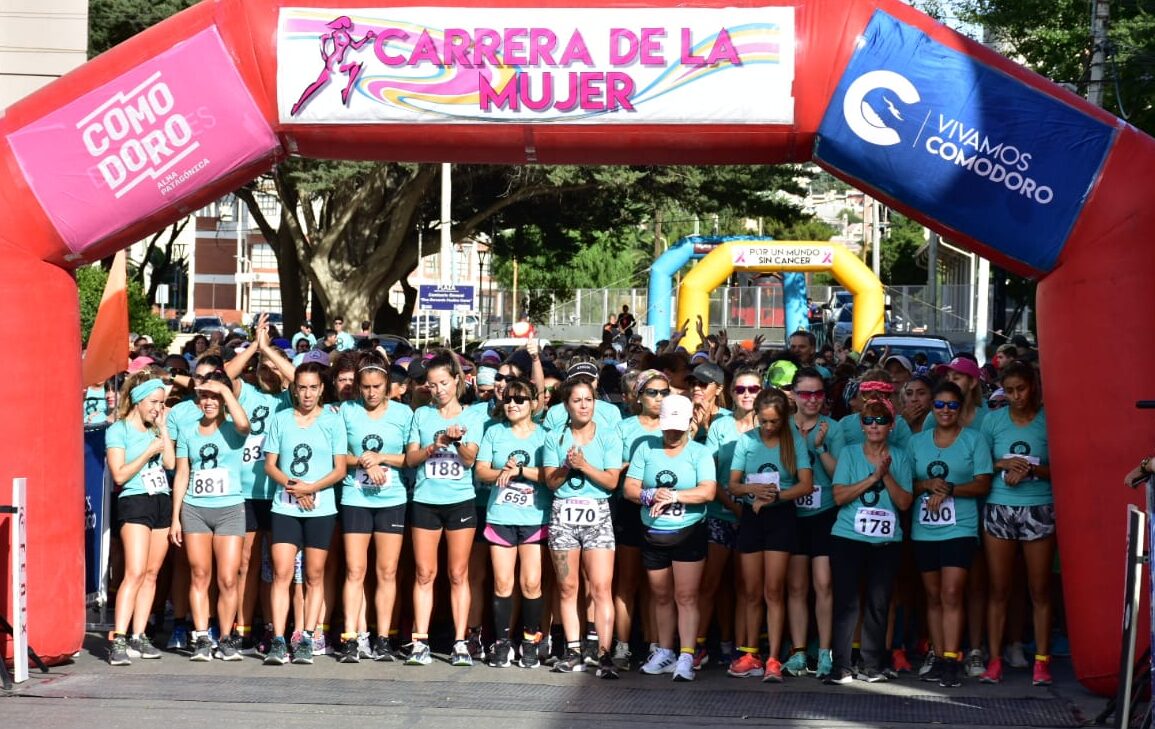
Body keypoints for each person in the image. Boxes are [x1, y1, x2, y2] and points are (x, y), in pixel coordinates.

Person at [624, 394, 716, 683]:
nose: (673, 433)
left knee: (686, 596)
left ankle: (687, 654)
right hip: (654, 531)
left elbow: (708, 492)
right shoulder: (646, 449)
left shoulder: (699, 453)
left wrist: (675, 496)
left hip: (688, 530)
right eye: (668, 427)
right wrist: (648, 494)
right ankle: (665, 651)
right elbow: (629, 487)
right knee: (661, 595)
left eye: (679, 427)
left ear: (690, 424)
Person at [404, 351, 487, 666]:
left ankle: (460, 642)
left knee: (457, 573)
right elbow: (410, 460)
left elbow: (469, 460)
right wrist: (434, 445)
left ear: (457, 381)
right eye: (432, 384)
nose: (438, 389)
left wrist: (456, 442)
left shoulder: (473, 415)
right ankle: (420, 641)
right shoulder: (422, 416)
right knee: (424, 573)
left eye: (443, 382)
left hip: (460, 501)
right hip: (426, 500)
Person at [262, 361, 348, 665]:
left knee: (313, 575)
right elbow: (270, 464)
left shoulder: (332, 421)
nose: (307, 393)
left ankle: (307, 638)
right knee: (282, 573)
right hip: (285, 505)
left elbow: (340, 469)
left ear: (322, 389)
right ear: (293, 389)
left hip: (320, 507)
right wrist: (293, 485)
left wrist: (311, 488)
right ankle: (278, 639)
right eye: (302, 387)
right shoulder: (281, 419)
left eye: (313, 387)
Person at [726, 388, 813, 682]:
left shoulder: (794, 442)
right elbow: (733, 485)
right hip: (753, 516)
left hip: (781, 517)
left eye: (773, 422)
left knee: (773, 591)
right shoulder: (747, 441)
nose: (767, 427)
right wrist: (754, 490)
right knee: (751, 591)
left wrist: (777, 497)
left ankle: (774, 657)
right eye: (762, 421)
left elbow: (806, 485)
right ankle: (751, 653)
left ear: (784, 419)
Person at [909, 381, 992, 687]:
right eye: (940, 405)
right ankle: (938, 653)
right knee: (932, 596)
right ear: (932, 408)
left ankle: (951, 658)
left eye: (952, 405)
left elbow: (983, 483)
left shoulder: (974, 440)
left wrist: (951, 489)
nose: (945, 410)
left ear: (960, 409)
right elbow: (906, 484)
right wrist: (927, 486)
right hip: (924, 528)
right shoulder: (917, 442)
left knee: (952, 593)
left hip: (960, 527)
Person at [826, 397, 914, 685]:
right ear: (861, 426)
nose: (874, 426)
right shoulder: (850, 453)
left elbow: (903, 503)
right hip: (848, 537)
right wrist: (872, 477)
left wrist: (885, 476)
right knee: (847, 602)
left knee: (879, 602)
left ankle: (871, 664)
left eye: (880, 421)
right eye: (868, 420)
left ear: (891, 426)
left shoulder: (900, 456)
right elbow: (839, 496)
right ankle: (840, 665)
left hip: (886, 540)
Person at [979, 361, 1056, 687]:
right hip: (1000, 506)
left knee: (1038, 589)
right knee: (999, 589)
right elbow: (980, 463)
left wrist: (1029, 469)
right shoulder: (993, 421)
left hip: (1038, 506)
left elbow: (1063, 470)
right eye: (1009, 391)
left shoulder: (1048, 422)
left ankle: (1041, 661)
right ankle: (994, 660)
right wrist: (1004, 463)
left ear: (1033, 386)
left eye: (1021, 389)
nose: (1015, 396)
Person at [543, 374, 624, 678]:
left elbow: (612, 481)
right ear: (566, 405)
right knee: (567, 587)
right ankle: (573, 649)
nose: (583, 406)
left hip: (597, 513)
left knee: (601, 587)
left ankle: (603, 654)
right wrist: (566, 466)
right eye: (576, 400)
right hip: (564, 513)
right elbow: (550, 482)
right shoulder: (555, 437)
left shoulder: (608, 436)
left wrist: (585, 465)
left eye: (588, 400)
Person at [170, 370, 252, 661]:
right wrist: (175, 518)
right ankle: (202, 636)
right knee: (199, 574)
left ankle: (227, 637)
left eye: (214, 396)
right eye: (204, 395)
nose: (208, 401)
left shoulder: (232, 428)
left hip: (230, 508)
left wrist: (225, 390)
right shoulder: (188, 431)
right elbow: (182, 473)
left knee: (228, 578)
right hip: (195, 508)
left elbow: (245, 424)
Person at [336, 353, 413, 663]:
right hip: (356, 497)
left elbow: (410, 458)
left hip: (392, 499)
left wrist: (380, 459)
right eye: (365, 387)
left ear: (388, 386)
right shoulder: (347, 411)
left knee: (387, 571)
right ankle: (352, 637)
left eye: (376, 386)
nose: (370, 393)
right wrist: (364, 461)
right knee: (355, 570)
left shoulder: (404, 413)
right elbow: (339, 457)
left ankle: (383, 638)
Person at [475, 377, 550, 668]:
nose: (513, 404)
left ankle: (530, 640)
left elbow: (552, 475)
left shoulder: (544, 435)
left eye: (520, 399)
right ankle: (502, 642)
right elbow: (481, 471)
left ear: (533, 404)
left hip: (534, 516)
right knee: (503, 582)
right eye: (508, 399)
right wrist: (501, 474)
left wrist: (521, 471)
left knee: (531, 583)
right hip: (501, 515)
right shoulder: (494, 433)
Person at [105, 374, 175, 665]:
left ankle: (139, 634)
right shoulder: (118, 430)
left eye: (162, 403)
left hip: (160, 497)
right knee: (134, 571)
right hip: (134, 500)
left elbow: (170, 463)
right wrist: (148, 451)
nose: (158, 408)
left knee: (151, 572)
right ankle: (119, 637)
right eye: (154, 402)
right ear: (138, 400)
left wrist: (163, 432)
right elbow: (119, 474)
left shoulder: (156, 430)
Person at [698, 367, 762, 670]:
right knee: (711, 584)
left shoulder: (772, 425)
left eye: (754, 389)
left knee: (745, 587)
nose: (747, 395)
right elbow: (709, 473)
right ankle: (698, 646)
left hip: (757, 519)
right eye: (741, 389)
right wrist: (735, 506)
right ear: (731, 392)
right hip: (721, 514)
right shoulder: (721, 426)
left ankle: (741, 648)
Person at [785, 367, 843, 680]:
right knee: (796, 586)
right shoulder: (782, 428)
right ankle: (797, 651)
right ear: (793, 395)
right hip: (792, 515)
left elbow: (840, 478)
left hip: (825, 514)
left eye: (819, 394)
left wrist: (820, 449)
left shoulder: (833, 429)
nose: (812, 400)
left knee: (823, 583)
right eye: (805, 393)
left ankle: (824, 651)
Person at [611, 370, 668, 671]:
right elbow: (614, 469)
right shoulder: (625, 427)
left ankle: (655, 645)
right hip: (632, 508)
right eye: (652, 392)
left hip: (665, 512)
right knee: (628, 582)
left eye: (664, 393)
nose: (659, 399)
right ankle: (622, 645)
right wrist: (632, 467)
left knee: (656, 584)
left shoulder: (674, 425)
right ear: (639, 396)